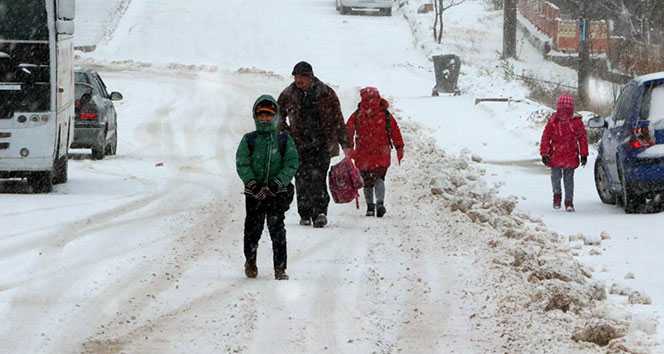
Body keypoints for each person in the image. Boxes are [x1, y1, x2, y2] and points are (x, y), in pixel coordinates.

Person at [277, 61, 351, 228]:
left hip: (322, 144)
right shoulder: (288, 93)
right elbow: (277, 116)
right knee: (302, 179)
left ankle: (320, 213)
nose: (297, 80)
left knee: (318, 179)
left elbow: (338, 119)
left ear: (310, 76)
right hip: (298, 145)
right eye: (295, 77)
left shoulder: (326, 93)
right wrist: (285, 134)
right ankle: (304, 213)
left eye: (301, 77)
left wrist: (345, 143)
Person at [236, 95, 299, 280]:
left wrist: (278, 183)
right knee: (252, 230)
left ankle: (280, 268)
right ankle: (250, 261)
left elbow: (291, 163)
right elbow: (242, 163)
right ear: (256, 116)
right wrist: (252, 184)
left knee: (277, 229)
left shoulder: (284, 140)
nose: (264, 119)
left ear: (276, 116)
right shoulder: (249, 139)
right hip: (254, 194)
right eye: (261, 115)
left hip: (276, 193)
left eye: (268, 115)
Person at [346, 87, 405, 217]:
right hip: (381, 153)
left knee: (367, 182)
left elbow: (348, 130)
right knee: (379, 179)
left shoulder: (358, 114)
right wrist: (399, 147)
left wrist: (349, 147)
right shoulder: (385, 114)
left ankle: (370, 207)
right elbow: (395, 131)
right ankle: (380, 203)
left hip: (363, 153)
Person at [540, 94, 588, 212]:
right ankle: (558, 198)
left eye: (566, 110)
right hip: (557, 154)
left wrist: (584, 153)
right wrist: (544, 153)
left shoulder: (575, 122)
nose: (564, 113)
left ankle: (568, 201)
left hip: (567, 154)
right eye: (562, 110)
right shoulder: (554, 121)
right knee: (558, 178)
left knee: (567, 179)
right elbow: (546, 137)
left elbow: (582, 137)